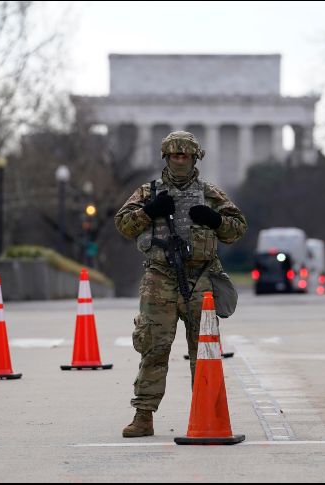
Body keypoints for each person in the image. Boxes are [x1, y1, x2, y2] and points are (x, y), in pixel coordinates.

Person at [114, 131, 247, 438]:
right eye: (175, 156)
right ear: (166, 158)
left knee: (204, 350)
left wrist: (214, 220)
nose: (180, 161)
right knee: (153, 347)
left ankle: (207, 413)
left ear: (194, 158)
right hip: (159, 277)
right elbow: (123, 223)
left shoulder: (209, 192)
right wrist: (149, 212)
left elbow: (237, 228)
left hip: (200, 277)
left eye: (185, 156)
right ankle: (143, 415)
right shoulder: (149, 192)